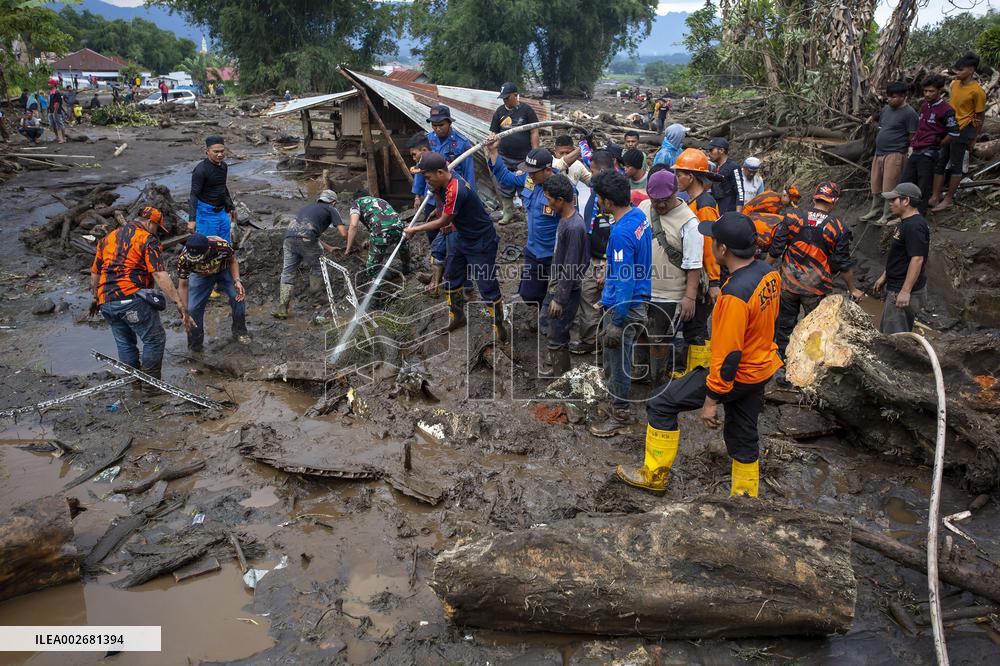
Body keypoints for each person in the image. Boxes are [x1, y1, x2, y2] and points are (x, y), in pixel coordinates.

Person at [616, 212, 781, 496]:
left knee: (662, 404)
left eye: (713, 240)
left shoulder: (734, 296)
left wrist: (711, 400)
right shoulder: (768, 274)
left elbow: (729, 355)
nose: (710, 245)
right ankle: (745, 494)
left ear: (723, 249)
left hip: (736, 372)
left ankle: (654, 474)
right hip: (760, 367)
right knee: (743, 431)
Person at [404, 152, 508, 340]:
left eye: (428, 177)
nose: (426, 181)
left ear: (440, 173)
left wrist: (415, 229)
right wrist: (436, 199)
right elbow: (440, 207)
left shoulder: (456, 189)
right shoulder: (441, 182)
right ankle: (457, 316)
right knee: (452, 275)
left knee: (486, 283)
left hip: (480, 240)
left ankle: (499, 326)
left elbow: (444, 219)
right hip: (461, 235)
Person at [90, 207, 194, 382]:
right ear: (150, 223)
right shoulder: (147, 239)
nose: (157, 233)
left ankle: (135, 383)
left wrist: (95, 298)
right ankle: (151, 385)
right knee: (155, 340)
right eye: (157, 228)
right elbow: (159, 274)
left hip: (106, 301)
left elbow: (95, 273)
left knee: (124, 343)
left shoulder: (108, 238)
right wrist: (178, 302)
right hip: (131, 297)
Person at [768, 181, 864, 359]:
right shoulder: (837, 228)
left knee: (784, 327)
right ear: (833, 201)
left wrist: (765, 271)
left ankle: (782, 363)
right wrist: (852, 289)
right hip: (815, 288)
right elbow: (843, 263)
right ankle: (806, 366)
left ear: (814, 197)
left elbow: (776, 249)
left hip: (788, 284)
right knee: (813, 329)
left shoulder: (792, 217)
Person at [589, 171, 652, 438]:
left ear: (607, 202)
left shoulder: (622, 233)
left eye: (599, 199)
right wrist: (610, 269)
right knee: (616, 358)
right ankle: (616, 403)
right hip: (636, 298)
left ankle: (620, 413)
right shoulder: (638, 216)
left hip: (625, 306)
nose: (598, 203)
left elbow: (625, 280)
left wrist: (616, 321)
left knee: (618, 361)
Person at [639, 169, 704, 386]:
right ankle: (640, 375)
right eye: (655, 200)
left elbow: (694, 263)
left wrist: (690, 297)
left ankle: (657, 381)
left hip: (669, 294)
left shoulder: (689, 223)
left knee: (659, 340)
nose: (659, 205)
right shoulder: (644, 208)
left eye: (664, 201)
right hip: (642, 288)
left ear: (675, 192)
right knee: (640, 333)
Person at [487, 140, 564, 318]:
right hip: (532, 251)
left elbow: (571, 223)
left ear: (547, 170)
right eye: (528, 171)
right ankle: (543, 305)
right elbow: (506, 178)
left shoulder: (563, 190)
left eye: (533, 172)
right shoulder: (529, 179)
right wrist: (493, 151)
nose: (530, 175)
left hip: (553, 255)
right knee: (529, 294)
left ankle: (549, 323)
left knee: (554, 297)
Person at [673, 147, 723, 376]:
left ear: (690, 176)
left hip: (704, 276)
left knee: (698, 326)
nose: (676, 179)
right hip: (697, 274)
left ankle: (699, 374)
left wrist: (714, 281)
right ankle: (694, 371)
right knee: (692, 324)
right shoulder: (693, 201)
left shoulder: (705, 204)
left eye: (678, 174)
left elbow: (710, 244)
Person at [541, 174, 589, 376]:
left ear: (560, 200)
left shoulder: (574, 226)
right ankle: (558, 371)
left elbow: (571, 266)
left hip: (566, 290)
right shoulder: (566, 220)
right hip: (559, 285)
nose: (547, 202)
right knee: (552, 328)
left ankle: (562, 378)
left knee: (558, 333)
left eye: (549, 199)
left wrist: (560, 299)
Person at [273, 190, 345, 318]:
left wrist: (329, 248)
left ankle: (282, 308)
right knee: (318, 267)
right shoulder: (331, 209)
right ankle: (317, 299)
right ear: (333, 202)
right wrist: (354, 245)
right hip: (307, 239)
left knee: (288, 272)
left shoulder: (307, 207)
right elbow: (343, 233)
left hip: (289, 238)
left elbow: (305, 232)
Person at [570, 150, 615, 355]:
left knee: (604, 299)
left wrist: (607, 263)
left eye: (593, 170)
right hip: (591, 256)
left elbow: (615, 234)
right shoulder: (595, 191)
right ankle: (591, 340)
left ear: (603, 171)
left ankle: (606, 342)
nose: (590, 174)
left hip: (607, 260)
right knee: (588, 298)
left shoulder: (614, 198)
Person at [931, 54, 986, 212]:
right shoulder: (954, 84)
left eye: (960, 70)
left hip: (963, 130)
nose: (957, 72)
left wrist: (974, 136)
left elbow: (979, 116)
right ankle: (935, 196)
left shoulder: (977, 92)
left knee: (956, 165)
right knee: (941, 161)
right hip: (950, 128)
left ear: (971, 70)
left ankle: (948, 199)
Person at [874, 183, 929, 334]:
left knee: (895, 338)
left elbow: (917, 259)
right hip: (896, 285)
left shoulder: (915, 226)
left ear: (906, 201)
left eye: (894, 200)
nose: (890, 203)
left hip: (901, 290)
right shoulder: (905, 223)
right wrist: (885, 276)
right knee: (890, 331)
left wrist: (905, 291)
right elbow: (900, 255)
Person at [177, 233, 248, 351]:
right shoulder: (183, 259)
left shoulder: (222, 246)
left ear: (208, 249)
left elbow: (233, 261)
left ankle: (240, 331)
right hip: (200, 276)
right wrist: (184, 310)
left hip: (223, 270)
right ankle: (195, 345)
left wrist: (237, 281)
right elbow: (183, 286)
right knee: (193, 309)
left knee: (238, 297)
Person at [900, 75, 959, 215]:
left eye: (931, 91)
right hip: (916, 150)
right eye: (925, 91)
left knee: (923, 186)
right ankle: (904, 213)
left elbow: (954, 133)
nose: (927, 94)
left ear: (939, 91)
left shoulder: (946, 110)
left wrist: (938, 145)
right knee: (906, 182)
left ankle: (919, 215)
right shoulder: (924, 106)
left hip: (929, 152)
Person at [861, 81, 918, 224]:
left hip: (895, 153)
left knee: (889, 184)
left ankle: (887, 213)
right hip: (879, 152)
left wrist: (909, 152)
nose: (890, 99)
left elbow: (912, 136)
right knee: (876, 182)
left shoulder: (910, 114)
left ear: (903, 96)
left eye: (894, 97)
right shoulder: (886, 109)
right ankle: (875, 209)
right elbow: (882, 126)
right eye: (889, 97)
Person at [489, 82, 539, 225]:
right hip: (505, 156)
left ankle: (529, 213)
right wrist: (493, 144)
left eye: (507, 97)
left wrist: (534, 152)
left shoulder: (527, 110)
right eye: (503, 98)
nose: (505, 100)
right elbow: (494, 132)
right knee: (504, 184)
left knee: (526, 185)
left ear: (516, 95)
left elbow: (534, 130)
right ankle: (508, 212)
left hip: (524, 157)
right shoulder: (499, 112)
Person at [344, 190, 410, 289]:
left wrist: (348, 249)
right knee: (402, 246)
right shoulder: (380, 200)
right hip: (400, 228)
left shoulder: (356, 203)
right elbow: (383, 219)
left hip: (381, 232)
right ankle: (407, 269)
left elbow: (353, 225)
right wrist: (370, 239)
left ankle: (377, 295)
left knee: (372, 268)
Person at [188, 135, 236, 242]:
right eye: (216, 152)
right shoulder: (201, 170)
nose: (220, 154)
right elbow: (193, 194)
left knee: (225, 244)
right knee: (209, 246)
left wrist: (231, 206)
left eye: (222, 151)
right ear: (207, 151)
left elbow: (222, 186)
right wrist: (192, 220)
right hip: (206, 213)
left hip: (222, 212)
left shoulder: (223, 166)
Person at [426, 104, 475, 188]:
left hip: (453, 190)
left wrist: (470, 195)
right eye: (434, 125)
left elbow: (469, 172)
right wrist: (417, 196)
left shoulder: (462, 143)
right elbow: (421, 168)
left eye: (441, 125)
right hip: (431, 192)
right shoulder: (427, 139)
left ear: (449, 123)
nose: (438, 129)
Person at [742, 190, 785, 257]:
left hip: (748, 217)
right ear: (785, 195)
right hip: (748, 220)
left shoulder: (772, 194)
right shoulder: (774, 204)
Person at [706, 137, 744, 213]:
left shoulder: (733, 166)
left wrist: (737, 214)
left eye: (711, 150)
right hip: (717, 207)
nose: (709, 153)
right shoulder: (715, 167)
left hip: (729, 209)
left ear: (721, 150)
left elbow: (740, 191)